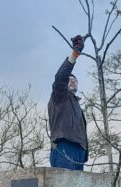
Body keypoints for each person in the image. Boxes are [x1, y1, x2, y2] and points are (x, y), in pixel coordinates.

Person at [48, 34, 88, 171]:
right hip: (64, 147)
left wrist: (83, 152)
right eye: (70, 79)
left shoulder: (75, 103)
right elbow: (60, 77)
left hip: (79, 151)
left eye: (75, 80)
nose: (73, 81)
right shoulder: (60, 96)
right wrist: (75, 54)